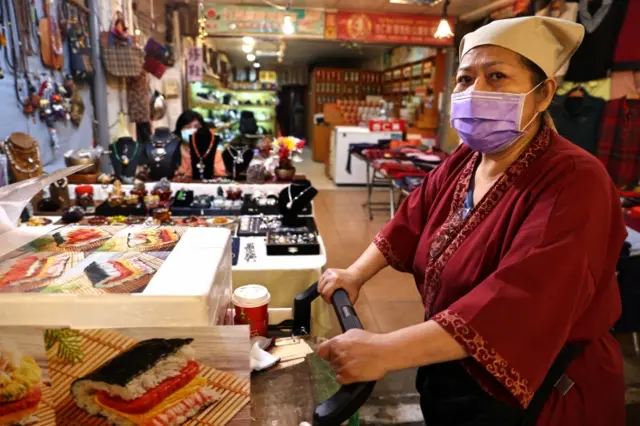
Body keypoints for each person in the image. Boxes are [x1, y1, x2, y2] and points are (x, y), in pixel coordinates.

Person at [317, 16, 627, 426]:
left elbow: (520, 302)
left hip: (540, 394)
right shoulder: (468, 158)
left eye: (497, 76)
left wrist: (385, 350)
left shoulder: (575, 180)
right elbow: (411, 218)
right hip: (450, 364)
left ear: (544, 92)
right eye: (465, 79)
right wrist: (355, 273)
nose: (476, 92)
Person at [174, 110, 226, 178]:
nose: (192, 130)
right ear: (179, 131)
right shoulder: (173, 150)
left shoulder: (212, 150)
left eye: (197, 127)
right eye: (187, 127)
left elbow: (220, 175)